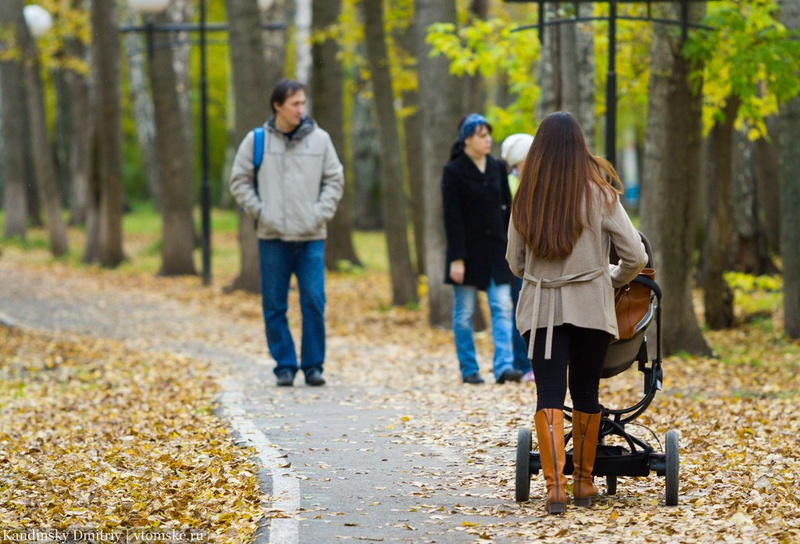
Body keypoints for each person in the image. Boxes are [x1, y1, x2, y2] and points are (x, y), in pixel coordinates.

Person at [506, 112, 647, 514]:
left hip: (542, 311)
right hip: (589, 308)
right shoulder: (601, 194)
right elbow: (634, 255)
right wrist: (612, 279)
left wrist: (542, 273)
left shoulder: (526, 196)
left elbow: (515, 262)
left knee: (548, 393)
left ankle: (554, 489)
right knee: (586, 391)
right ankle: (584, 484)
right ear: (579, 146)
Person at [229, 79, 344, 387]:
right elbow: (239, 180)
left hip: (311, 238)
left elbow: (335, 179)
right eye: (294, 104)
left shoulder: (320, 140)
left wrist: (318, 214)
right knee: (275, 304)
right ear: (277, 105)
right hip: (272, 239)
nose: (300, 109)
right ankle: (284, 365)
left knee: (314, 299)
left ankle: (313, 365)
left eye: (303, 103)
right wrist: (262, 211)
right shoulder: (256, 141)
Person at [442, 113, 523, 385]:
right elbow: (452, 218)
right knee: (464, 313)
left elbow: (508, 209)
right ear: (467, 139)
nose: (488, 140)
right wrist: (456, 258)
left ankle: (504, 366)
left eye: (489, 135)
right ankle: (469, 368)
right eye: (482, 135)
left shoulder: (498, 167)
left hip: (497, 251)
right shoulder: (453, 171)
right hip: (466, 253)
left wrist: (512, 248)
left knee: (501, 306)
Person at [500, 134, 536, 382]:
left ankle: (530, 363)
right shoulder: (513, 183)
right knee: (520, 310)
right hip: (521, 258)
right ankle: (523, 365)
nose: (516, 169)